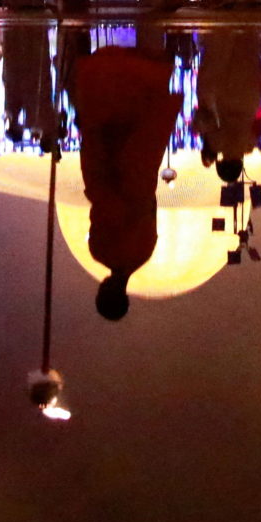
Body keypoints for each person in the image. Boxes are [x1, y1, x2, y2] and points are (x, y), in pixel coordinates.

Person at [74, 24, 184, 320]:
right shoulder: (102, 252)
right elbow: (107, 207)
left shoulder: (143, 254)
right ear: (106, 292)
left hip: (139, 171)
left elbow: (148, 209)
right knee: (112, 98)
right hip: (113, 170)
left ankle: (153, 40)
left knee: (141, 99)